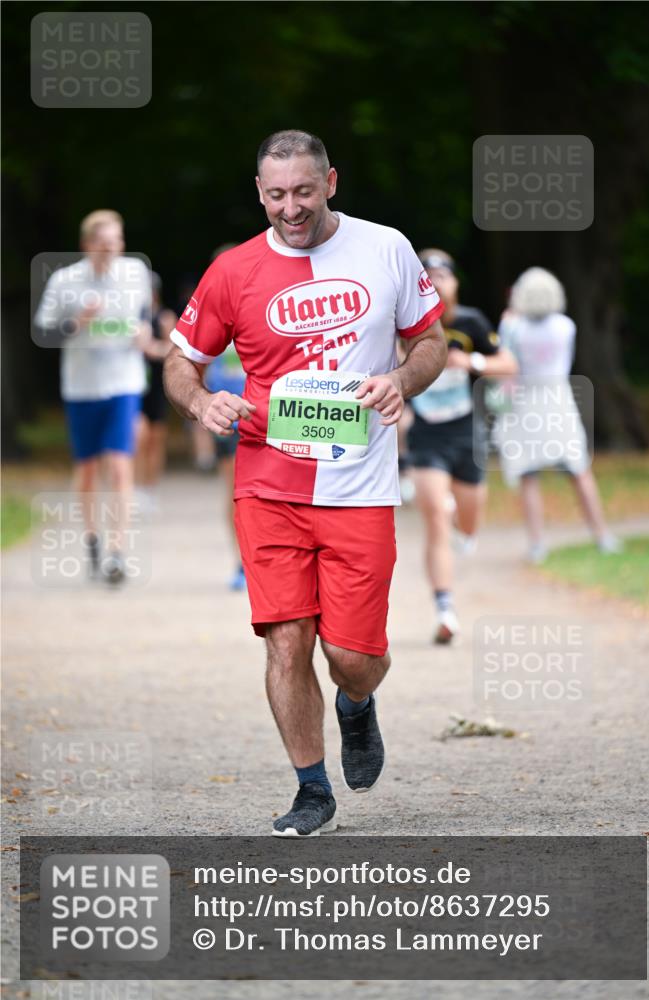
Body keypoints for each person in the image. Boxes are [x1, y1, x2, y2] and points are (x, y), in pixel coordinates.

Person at [164, 130, 447, 837]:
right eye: (274, 194)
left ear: (330, 182)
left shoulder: (385, 247)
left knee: (352, 656)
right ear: (259, 193)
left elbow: (430, 342)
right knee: (286, 640)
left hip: (359, 485)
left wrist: (400, 380)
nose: (290, 207)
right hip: (268, 483)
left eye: (302, 191)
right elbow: (180, 362)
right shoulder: (232, 271)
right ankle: (310, 789)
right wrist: (201, 402)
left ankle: (356, 704)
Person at [34, 209, 152, 583]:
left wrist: (144, 334)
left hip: (123, 382)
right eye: (103, 244)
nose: (111, 250)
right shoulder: (66, 282)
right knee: (87, 470)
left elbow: (147, 316)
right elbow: (44, 330)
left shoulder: (136, 274)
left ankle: (117, 551)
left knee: (119, 465)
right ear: (87, 245)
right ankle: (92, 540)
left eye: (117, 243)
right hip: (82, 386)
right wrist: (77, 322)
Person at [407, 249, 518, 644]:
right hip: (426, 436)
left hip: (465, 435)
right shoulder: (402, 326)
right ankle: (444, 608)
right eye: (427, 276)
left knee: (467, 527)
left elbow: (508, 364)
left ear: (454, 283)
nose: (435, 281)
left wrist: (470, 364)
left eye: (443, 276)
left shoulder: (470, 322)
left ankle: (460, 520)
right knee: (435, 516)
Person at [493, 267, 621, 563]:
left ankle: (538, 543)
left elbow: (506, 366)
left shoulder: (513, 328)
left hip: (525, 401)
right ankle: (601, 535)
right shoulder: (566, 326)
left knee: (528, 475)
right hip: (559, 399)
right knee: (578, 470)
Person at [204, 244, 247, 591]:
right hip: (227, 417)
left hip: (266, 414)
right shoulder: (208, 312)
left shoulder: (263, 305)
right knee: (234, 493)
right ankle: (240, 564)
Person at [135, 272, 176, 512]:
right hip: (136, 385)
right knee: (138, 437)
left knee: (155, 440)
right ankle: (137, 488)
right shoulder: (131, 318)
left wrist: (152, 348)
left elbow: (174, 348)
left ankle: (150, 488)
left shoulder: (164, 317)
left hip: (157, 385)